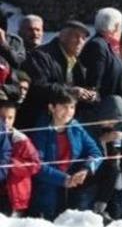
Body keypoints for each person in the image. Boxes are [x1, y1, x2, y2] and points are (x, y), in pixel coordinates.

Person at [28, 86, 104, 219]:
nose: (68, 111)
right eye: (64, 106)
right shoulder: (41, 130)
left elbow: (96, 153)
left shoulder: (76, 128)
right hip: (46, 192)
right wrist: (64, 180)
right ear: (52, 107)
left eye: (72, 107)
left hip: (73, 191)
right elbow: (37, 166)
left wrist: (86, 169)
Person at [0, 99, 41, 217]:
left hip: (13, 195)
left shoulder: (21, 140)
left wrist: (11, 163)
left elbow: (35, 165)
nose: (5, 121)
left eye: (10, 117)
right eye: (2, 117)